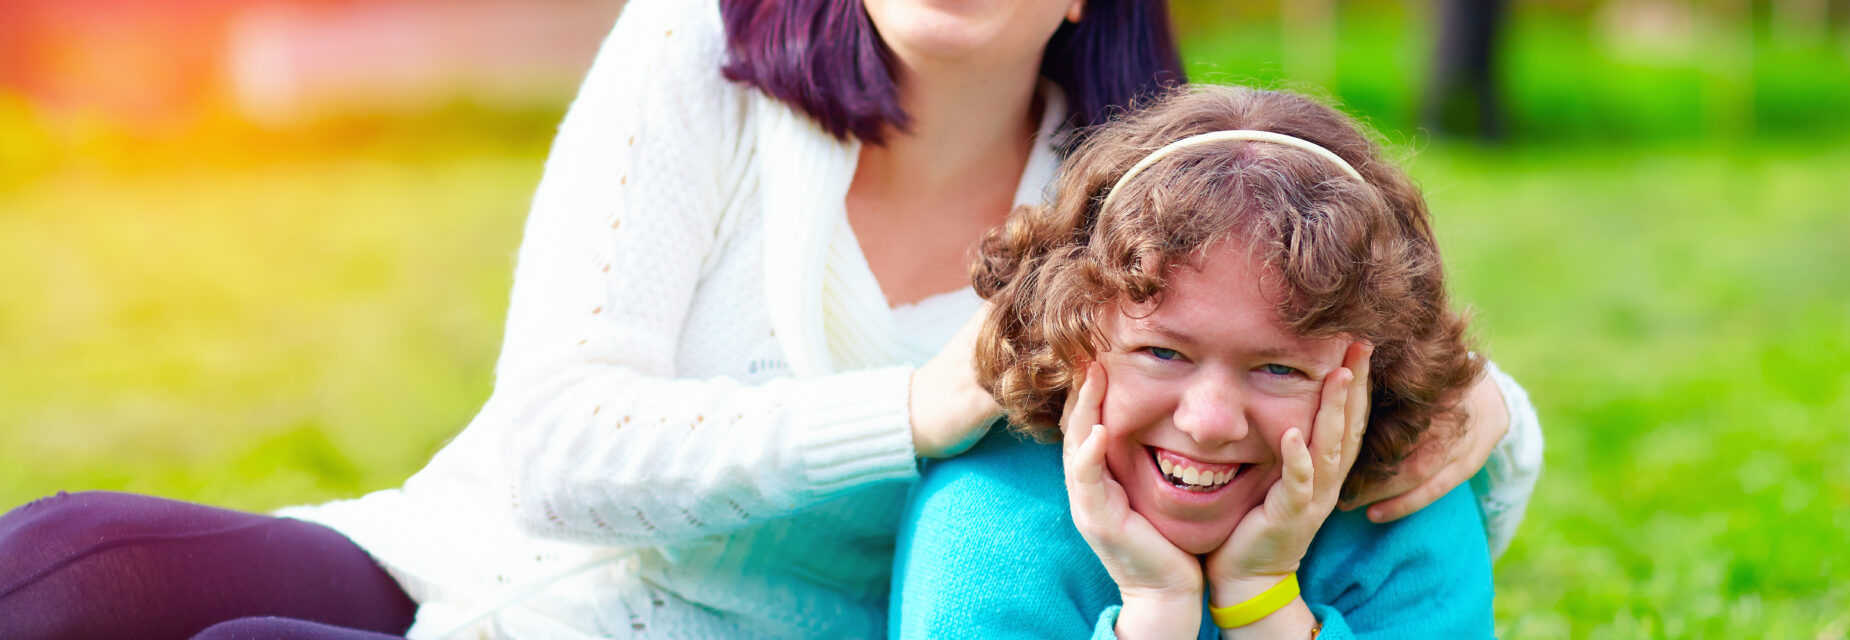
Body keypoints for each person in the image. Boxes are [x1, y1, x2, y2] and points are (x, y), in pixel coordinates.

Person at [0, 1, 1540, 638]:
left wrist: (1481, 409)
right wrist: (926, 400)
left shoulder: (1141, 195)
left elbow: (1353, 355)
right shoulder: (705, 51)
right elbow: (550, 445)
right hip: (473, 560)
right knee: (59, 567)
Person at [892, 86, 1509, 638]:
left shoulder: (1405, 520)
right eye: (1161, 352)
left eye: (1279, 369)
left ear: (1375, 373)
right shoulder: (986, 528)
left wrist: (1263, 600)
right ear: (1073, 332)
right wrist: (1155, 615)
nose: (1210, 423)